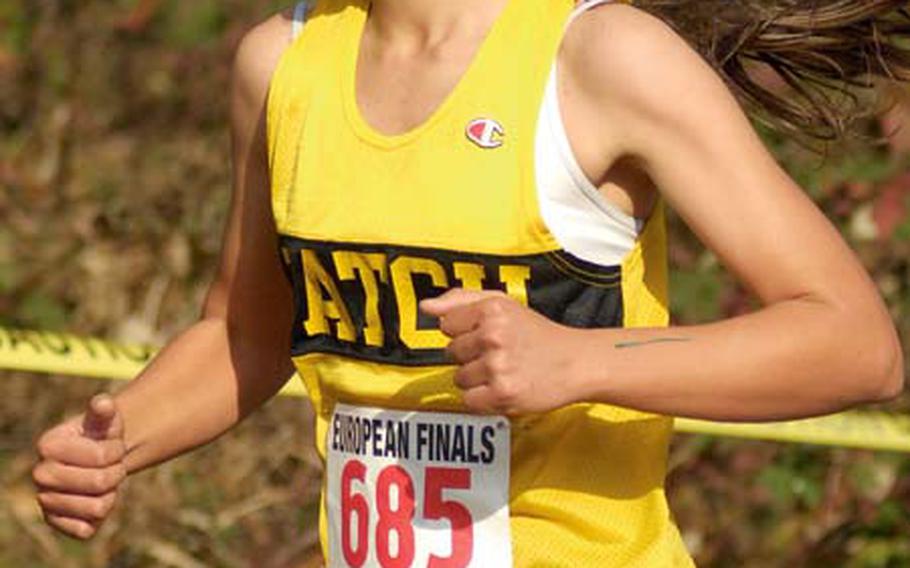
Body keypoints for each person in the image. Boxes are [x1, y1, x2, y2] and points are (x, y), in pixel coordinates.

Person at [32, 0, 908, 565]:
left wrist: (581, 362)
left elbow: (854, 344)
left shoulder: (600, 57)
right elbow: (246, 336)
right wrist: (121, 439)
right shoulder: (280, 63)